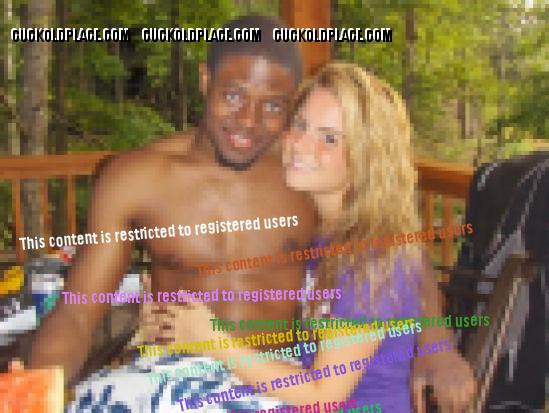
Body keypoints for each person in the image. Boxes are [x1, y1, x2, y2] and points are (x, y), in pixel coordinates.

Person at [23, 14, 473, 412]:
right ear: (205, 81)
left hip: (282, 382)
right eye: (234, 95)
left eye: (274, 106)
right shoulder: (137, 179)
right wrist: (38, 390)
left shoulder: (306, 175)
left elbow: (394, 245)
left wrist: (436, 344)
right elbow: (77, 312)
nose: (248, 122)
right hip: (178, 372)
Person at [149, 62, 476, 412]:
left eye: (330, 138)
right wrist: (180, 324)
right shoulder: (327, 232)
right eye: (300, 125)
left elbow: (324, 395)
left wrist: (214, 341)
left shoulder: (371, 257)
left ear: (367, 158)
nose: (302, 145)